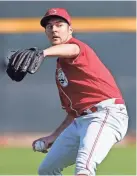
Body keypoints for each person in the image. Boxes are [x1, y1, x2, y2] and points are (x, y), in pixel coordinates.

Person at [9, 8, 129, 176]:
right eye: (49, 27)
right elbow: (73, 114)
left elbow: (72, 49)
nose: (54, 29)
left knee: (84, 168)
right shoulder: (61, 71)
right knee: (47, 170)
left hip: (106, 115)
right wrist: (53, 137)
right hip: (80, 121)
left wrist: (42, 53)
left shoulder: (77, 48)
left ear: (70, 30)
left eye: (59, 25)